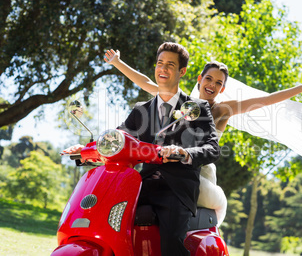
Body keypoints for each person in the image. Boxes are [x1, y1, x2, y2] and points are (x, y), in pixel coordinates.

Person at [103, 49, 302, 224]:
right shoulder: (176, 99)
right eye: (209, 79)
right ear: (199, 79)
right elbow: (145, 82)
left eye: (218, 83)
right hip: (165, 168)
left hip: (198, 173)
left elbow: (264, 101)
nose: (212, 85)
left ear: (222, 89)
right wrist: (117, 62)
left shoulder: (221, 110)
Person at [66, 42, 220, 256]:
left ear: (182, 71)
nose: (163, 69)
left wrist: (186, 153)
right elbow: (117, 140)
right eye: (160, 63)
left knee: (172, 243)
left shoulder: (197, 108)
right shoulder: (141, 110)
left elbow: (213, 148)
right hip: (139, 187)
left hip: (176, 189)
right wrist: (85, 149)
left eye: (170, 65)